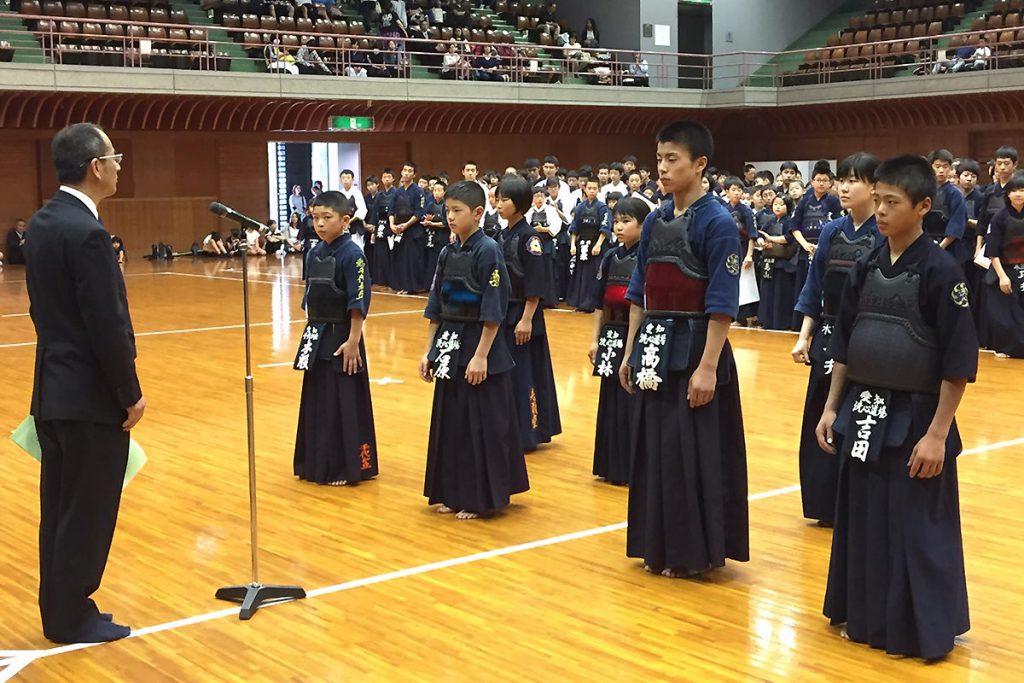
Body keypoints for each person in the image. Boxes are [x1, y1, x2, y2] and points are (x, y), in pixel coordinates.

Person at [816, 154, 977, 661]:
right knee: (864, 518)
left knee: (915, 526)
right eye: (878, 200)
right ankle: (865, 615)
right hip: (863, 410)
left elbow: (957, 364)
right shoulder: (866, 263)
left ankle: (918, 626)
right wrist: (830, 408)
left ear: (924, 207)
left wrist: (936, 434)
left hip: (916, 417)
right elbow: (845, 346)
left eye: (892, 202)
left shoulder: (941, 271)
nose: (881, 211)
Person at [25, 122, 144, 643]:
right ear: (96, 166)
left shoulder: (43, 223)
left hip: (52, 390)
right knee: (89, 510)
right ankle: (72, 615)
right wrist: (129, 393)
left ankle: (62, 607)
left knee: (60, 508)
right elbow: (106, 325)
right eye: (115, 157)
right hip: (90, 396)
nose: (120, 165)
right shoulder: (90, 234)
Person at [618, 120, 749, 578]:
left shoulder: (718, 223)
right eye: (659, 159)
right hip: (655, 348)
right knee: (657, 450)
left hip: (696, 350)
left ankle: (694, 553)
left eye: (673, 159)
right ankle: (658, 545)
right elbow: (640, 292)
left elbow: (722, 304)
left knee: (691, 453)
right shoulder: (654, 219)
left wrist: (708, 367)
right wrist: (631, 351)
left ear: (700, 164)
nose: (663, 168)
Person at [419, 180, 529, 519]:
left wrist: (481, 354)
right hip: (450, 345)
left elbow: (494, 308)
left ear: (478, 213)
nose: (449, 217)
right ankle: (452, 492)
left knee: (480, 426)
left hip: (481, 347)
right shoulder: (447, 252)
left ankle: (482, 498)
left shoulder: (488, 251)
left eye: (457, 211)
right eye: (447, 210)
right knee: (452, 424)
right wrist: (429, 351)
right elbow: (436, 305)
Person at [791, 152, 882, 527]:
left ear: (875, 188)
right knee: (821, 414)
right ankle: (825, 504)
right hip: (828, 338)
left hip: (866, 343)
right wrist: (803, 338)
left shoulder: (883, 234)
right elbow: (815, 289)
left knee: (858, 419)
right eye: (841, 179)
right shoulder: (831, 231)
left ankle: (857, 503)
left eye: (853, 180)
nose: (844, 187)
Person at [293, 191, 378, 486]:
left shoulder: (353, 255)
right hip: (317, 335)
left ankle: (347, 465)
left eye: (326, 218)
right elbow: (311, 298)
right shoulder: (314, 253)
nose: (319, 224)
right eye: (315, 217)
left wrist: (354, 340)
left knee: (343, 401)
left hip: (344, 337)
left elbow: (358, 301)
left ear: (344, 220)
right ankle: (316, 462)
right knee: (319, 399)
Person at [496, 175, 561, 453]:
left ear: (519, 204)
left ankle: (530, 431)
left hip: (524, 314)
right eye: (497, 199)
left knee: (526, 373)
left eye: (504, 200)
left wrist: (525, 318)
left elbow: (535, 282)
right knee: (507, 373)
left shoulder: (529, 238)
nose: (498, 204)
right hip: (503, 312)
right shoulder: (502, 235)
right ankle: (509, 429)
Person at [587, 197, 648, 485]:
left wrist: (632, 346)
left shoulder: (646, 257)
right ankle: (611, 463)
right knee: (610, 399)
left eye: (626, 221)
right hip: (611, 333)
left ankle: (634, 466)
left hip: (636, 335)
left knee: (632, 396)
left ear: (643, 224)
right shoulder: (611, 256)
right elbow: (600, 302)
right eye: (616, 221)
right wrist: (594, 340)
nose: (619, 227)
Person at [790, 161, 843, 328]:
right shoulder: (804, 202)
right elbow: (794, 227)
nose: (821, 183)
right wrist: (805, 244)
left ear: (830, 183)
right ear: (812, 181)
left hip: (825, 250)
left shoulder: (834, 202)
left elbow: (838, 225)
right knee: (803, 287)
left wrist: (821, 246)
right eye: (818, 179)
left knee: (822, 286)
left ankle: (819, 324)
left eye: (825, 180)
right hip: (804, 250)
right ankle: (799, 324)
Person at [983, 171, 1024, 358]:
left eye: (1022, 190)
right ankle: (1008, 348)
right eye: (1014, 190)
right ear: (1007, 194)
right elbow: (992, 250)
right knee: (1005, 315)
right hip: (1004, 269)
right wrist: (1002, 276)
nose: (1018, 194)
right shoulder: (999, 217)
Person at [567, 177, 611, 312]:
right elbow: (574, 227)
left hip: (596, 244)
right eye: (589, 188)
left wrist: (598, 245)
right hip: (582, 245)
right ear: (584, 189)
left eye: (594, 188)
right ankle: (581, 302)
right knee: (581, 274)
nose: (592, 191)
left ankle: (592, 303)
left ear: (599, 190)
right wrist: (573, 245)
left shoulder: (602, 207)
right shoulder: (580, 207)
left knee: (593, 274)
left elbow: (605, 227)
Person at [756, 194, 799, 330]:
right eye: (775, 204)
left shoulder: (790, 221)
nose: (777, 206)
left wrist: (771, 240)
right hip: (769, 261)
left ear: (788, 206)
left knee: (781, 293)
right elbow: (759, 234)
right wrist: (762, 242)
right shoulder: (770, 220)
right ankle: (766, 320)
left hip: (783, 263)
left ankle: (781, 322)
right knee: (767, 292)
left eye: (781, 204)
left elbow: (788, 238)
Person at [389, 162, 427, 294]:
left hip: (412, 230)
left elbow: (419, 213)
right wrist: (392, 225)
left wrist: (405, 225)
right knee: (400, 258)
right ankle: (401, 285)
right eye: (404, 170)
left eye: (410, 171)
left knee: (411, 260)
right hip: (399, 230)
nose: (406, 173)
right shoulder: (397, 191)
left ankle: (411, 287)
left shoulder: (418, 191)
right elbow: (391, 210)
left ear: (414, 174)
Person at [422, 179, 449, 282]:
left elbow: (446, 223)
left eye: (439, 190)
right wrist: (426, 221)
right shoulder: (430, 204)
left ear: (444, 192)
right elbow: (424, 218)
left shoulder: (446, 205)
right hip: (430, 237)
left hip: (442, 236)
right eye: (434, 190)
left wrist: (432, 223)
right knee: (430, 261)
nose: (436, 193)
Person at [338, 169, 368, 252]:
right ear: (340, 180)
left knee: (356, 250)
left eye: (348, 178)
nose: (346, 180)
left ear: (352, 179)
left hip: (355, 226)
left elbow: (362, 210)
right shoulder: (339, 194)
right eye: (343, 178)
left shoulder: (357, 193)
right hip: (343, 227)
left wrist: (349, 221)